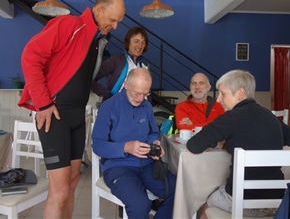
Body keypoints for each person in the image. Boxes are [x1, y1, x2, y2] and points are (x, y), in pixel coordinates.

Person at [18, 0, 125, 219]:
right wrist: (43, 103)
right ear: (98, 10)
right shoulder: (69, 24)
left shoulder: (98, 41)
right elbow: (30, 55)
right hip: (55, 114)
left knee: (73, 182)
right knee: (60, 189)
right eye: (113, 19)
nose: (115, 26)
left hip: (78, 115)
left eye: (119, 21)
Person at [186, 69, 290, 218]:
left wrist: (224, 140)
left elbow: (194, 146)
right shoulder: (271, 117)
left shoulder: (231, 118)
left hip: (241, 201)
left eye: (223, 93)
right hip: (277, 201)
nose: (218, 100)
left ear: (240, 93)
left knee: (202, 202)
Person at [92, 68, 176, 219]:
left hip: (148, 164)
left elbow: (152, 132)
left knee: (180, 191)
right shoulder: (108, 107)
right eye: (137, 93)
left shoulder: (146, 106)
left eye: (145, 94)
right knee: (140, 205)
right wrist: (125, 147)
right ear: (126, 85)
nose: (140, 98)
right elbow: (97, 145)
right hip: (119, 168)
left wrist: (155, 142)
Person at [91, 26, 149, 101]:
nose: (140, 46)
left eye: (143, 43)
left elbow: (147, 92)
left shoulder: (144, 65)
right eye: (136, 41)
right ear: (128, 42)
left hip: (138, 110)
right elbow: (91, 79)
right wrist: (108, 96)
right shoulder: (116, 60)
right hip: (117, 108)